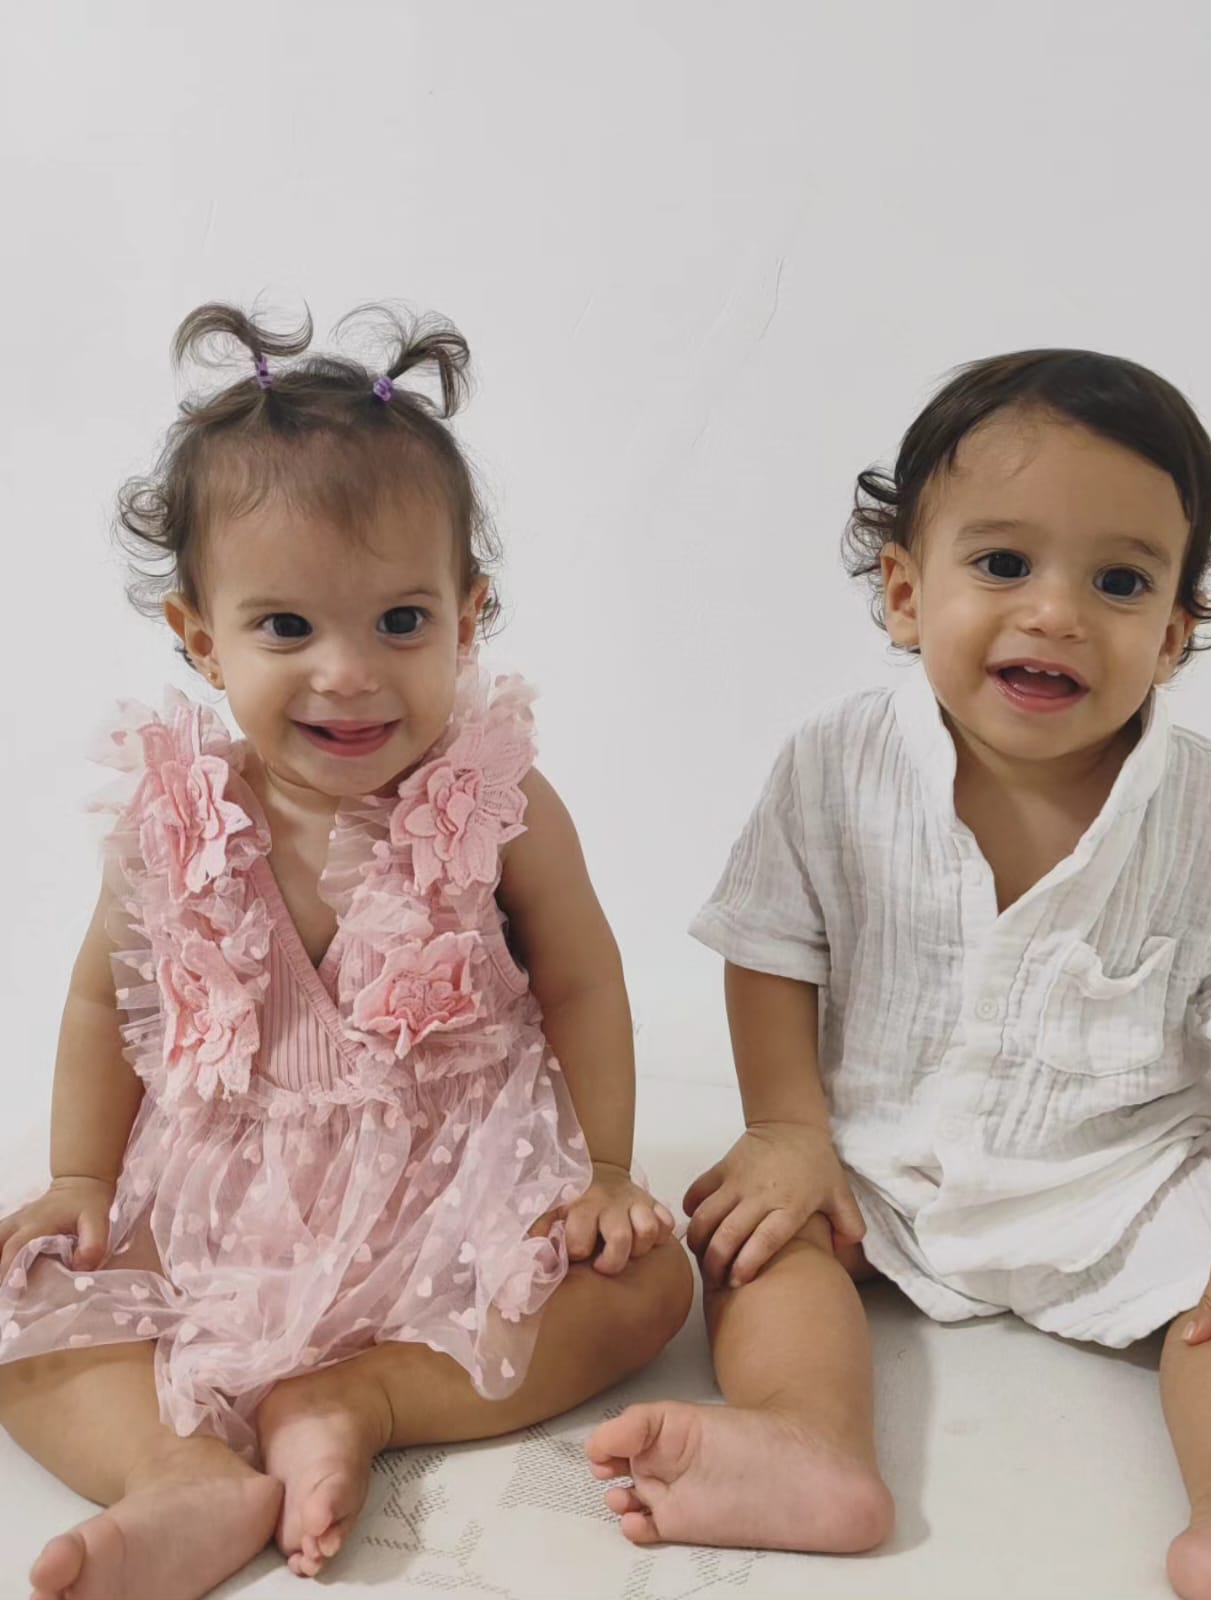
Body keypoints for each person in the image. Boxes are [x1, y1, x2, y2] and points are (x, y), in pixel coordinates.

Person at [0, 302, 692, 1600]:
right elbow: (100, 1003)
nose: (348, 673)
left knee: (647, 1285)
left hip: (454, 1180)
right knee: (24, 1303)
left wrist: (603, 1171)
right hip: (222, 1195)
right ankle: (178, 1473)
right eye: (286, 628)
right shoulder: (173, 819)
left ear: (468, 617)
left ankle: (358, 1400)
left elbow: (585, 980)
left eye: (399, 621)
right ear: (199, 637)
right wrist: (81, 1178)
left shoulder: (498, 802)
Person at [586, 349, 1211, 1600]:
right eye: (1002, 563)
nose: (1055, 613)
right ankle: (808, 1440)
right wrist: (787, 1129)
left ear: (1172, 636)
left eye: (1118, 582)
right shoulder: (836, 763)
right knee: (759, 1243)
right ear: (905, 593)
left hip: (1125, 1175)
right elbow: (771, 944)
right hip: (874, 1158)